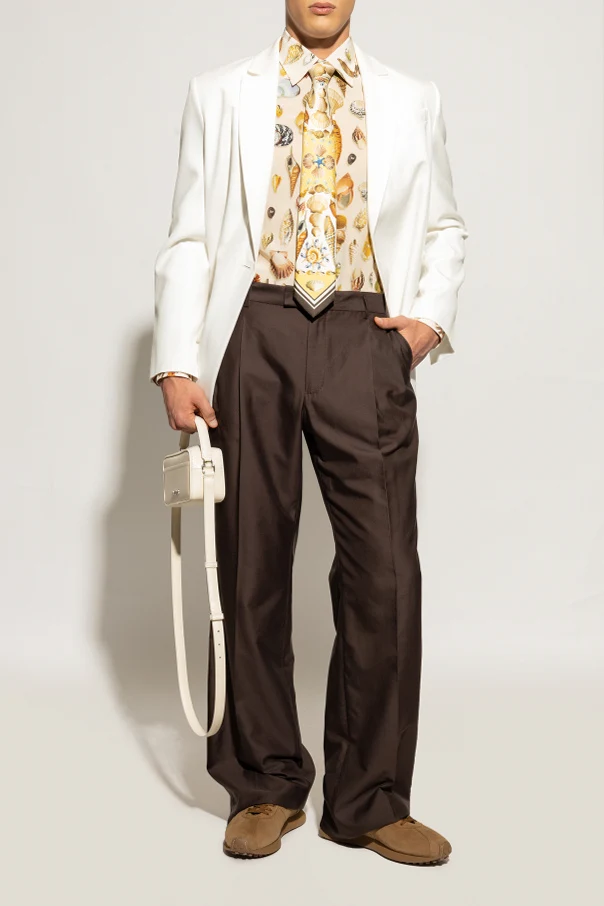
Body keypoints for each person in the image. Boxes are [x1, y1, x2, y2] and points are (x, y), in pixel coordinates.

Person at [150, 0, 468, 865]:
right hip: (254, 326)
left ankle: (369, 799)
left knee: (384, 572)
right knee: (248, 557)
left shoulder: (413, 97)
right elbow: (190, 236)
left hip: (365, 329)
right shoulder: (220, 93)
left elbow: (444, 225)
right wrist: (178, 360)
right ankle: (263, 782)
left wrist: (423, 325)